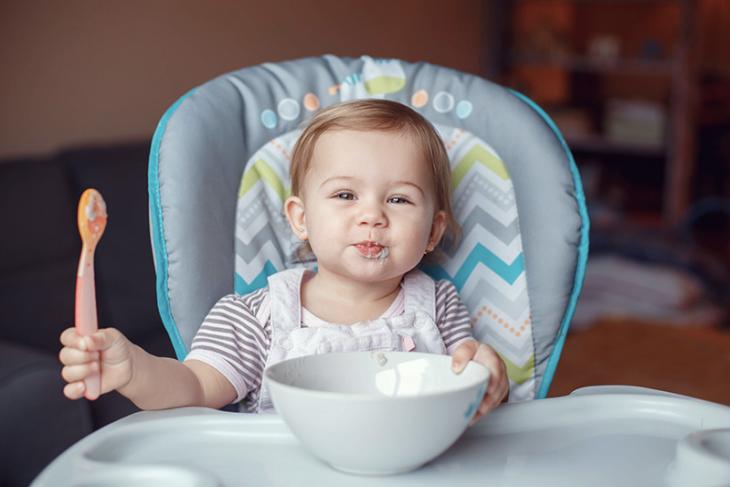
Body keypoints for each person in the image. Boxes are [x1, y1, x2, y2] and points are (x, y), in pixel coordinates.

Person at [59, 99, 509, 424]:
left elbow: (468, 397)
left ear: (432, 231)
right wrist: (134, 369)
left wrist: (488, 377)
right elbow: (193, 388)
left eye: (398, 198)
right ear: (301, 218)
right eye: (345, 195)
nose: (372, 215)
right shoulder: (255, 316)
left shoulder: (438, 305)